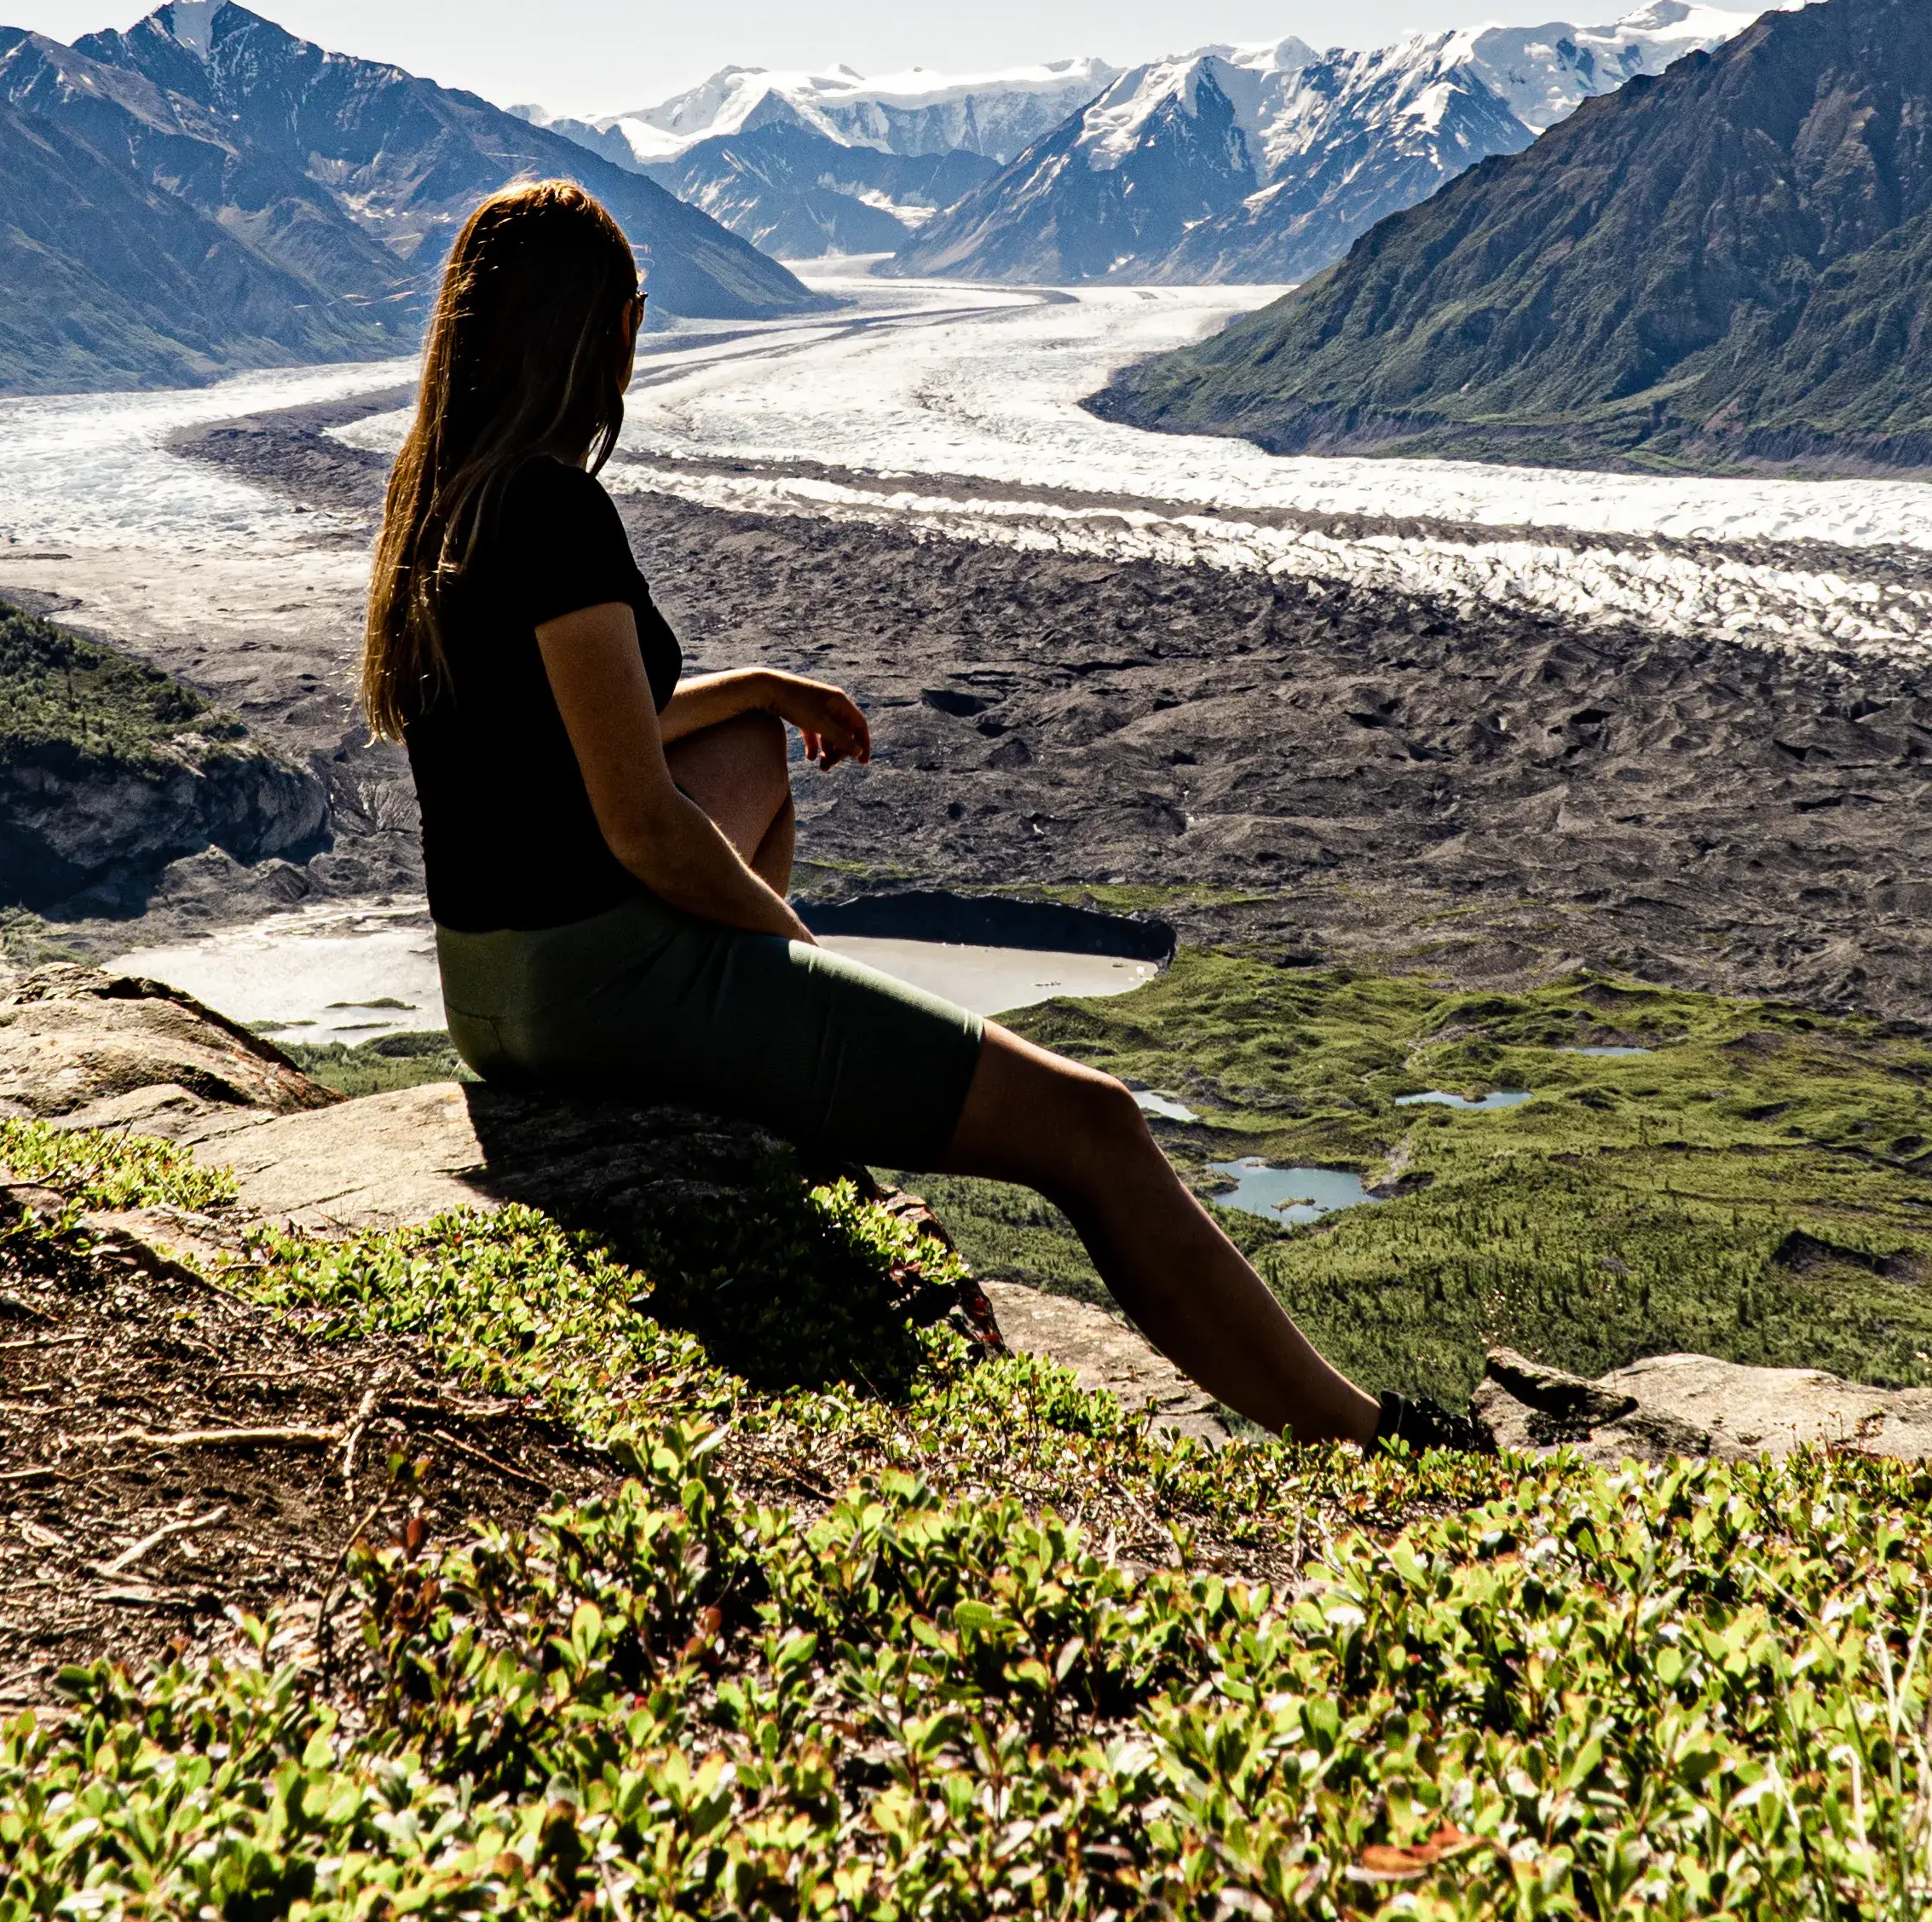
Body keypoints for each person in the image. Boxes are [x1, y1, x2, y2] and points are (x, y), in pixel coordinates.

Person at [360, 180, 1463, 1446]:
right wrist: (790, 956)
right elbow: (644, 826)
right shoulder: (558, 508)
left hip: (493, 997)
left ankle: (750, 1065)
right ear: (603, 329)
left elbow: (567, 720)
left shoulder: (447, 501)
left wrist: (763, 686)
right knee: (1092, 1124)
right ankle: (1368, 1437)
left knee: (752, 744)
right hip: (595, 980)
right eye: (635, 316)